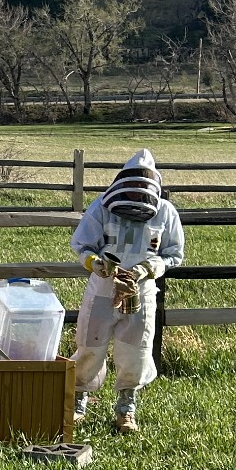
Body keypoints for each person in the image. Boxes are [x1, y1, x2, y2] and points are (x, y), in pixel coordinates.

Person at [69, 148, 184, 434]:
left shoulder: (166, 212)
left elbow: (174, 254)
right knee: (90, 345)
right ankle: (78, 400)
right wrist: (96, 263)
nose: (135, 197)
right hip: (102, 289)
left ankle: (126, 407)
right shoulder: (102, 207)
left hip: (141, 293)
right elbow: (81, 244)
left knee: (136, 350)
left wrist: (148, 268)